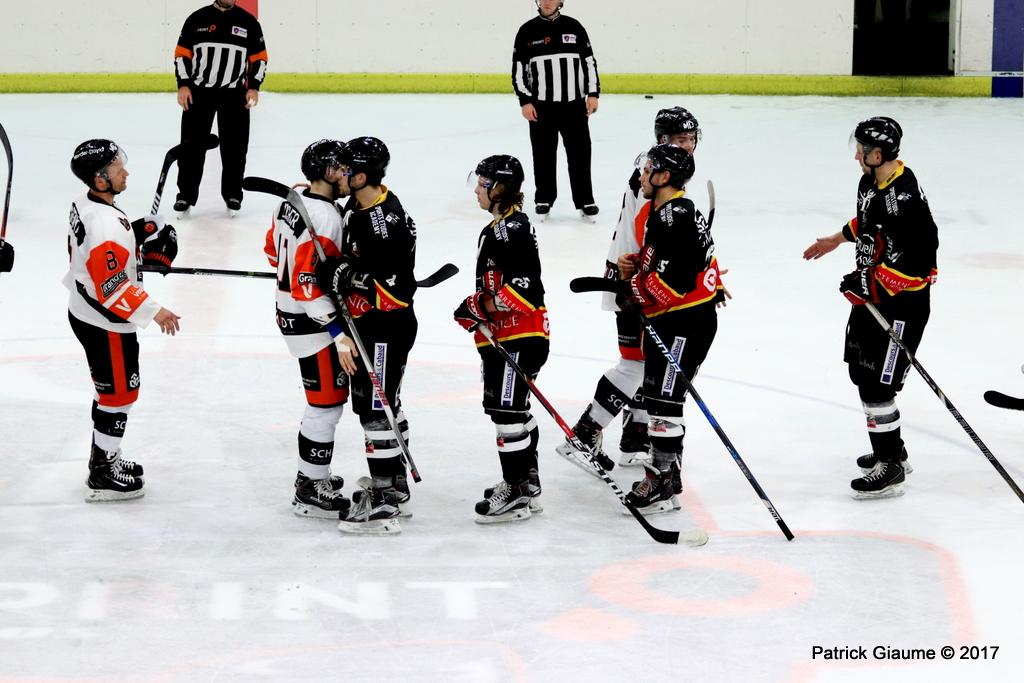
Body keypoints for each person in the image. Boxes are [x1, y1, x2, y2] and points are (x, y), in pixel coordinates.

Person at [556, 107, 727, 477]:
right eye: (680, 139)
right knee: (637, 364)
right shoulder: (653, 175)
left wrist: (698, 269)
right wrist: (660, 275)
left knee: (648, 364)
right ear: (662, 139)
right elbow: (650, 233)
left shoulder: (663, 169)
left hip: (640, 276)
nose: (687, 145)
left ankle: (635, 439)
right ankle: (585, 433)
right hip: (634, 282)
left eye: (691, 139)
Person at [803, 116, 938, 499]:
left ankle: (890, 467)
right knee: (862, 373)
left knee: (879, 385)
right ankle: (892, 449)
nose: (856, 156)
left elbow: (919, 264)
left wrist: (869, 284)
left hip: (901, 306)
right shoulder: (872, 182)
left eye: (861, 150)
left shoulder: (905, 200)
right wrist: (837, 239)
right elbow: (868, 221)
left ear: (877, 154)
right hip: (874, 298)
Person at [63, 139, 181, 502]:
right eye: (118, 169)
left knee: (111, 392)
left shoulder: (89, 203)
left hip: (86, 311)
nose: (125, 173)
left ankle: (105, 455)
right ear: (100, 179)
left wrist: (136, 231)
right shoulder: (105, 225)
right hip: (106, 323)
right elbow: (112, 287)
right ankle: (102, 471)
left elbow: (103, 250)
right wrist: (156, 311)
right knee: (119, 394)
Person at [315, 136, 417, 535]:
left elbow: (395, 293)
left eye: (344, 170)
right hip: (369, 326)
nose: (338, 175)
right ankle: (395, 483)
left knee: (376, 411)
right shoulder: (358, 206)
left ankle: (385, 499)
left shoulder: (384, 224)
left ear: (360, 176)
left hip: (385, 329)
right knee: (380, 405)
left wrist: (346, 275)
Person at [614, 144, 721, 514]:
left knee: (664, 401)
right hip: (679, 320)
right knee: (660, 398)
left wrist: (633, 291)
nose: (642, 176)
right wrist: (640, 264)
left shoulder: (672, 217)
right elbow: (677, 262)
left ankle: (662, 481)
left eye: (648, 171)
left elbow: (673, 285)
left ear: (664, 177)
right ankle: (667, 477)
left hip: (684, 323)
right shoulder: (671, 211)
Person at [263, 139, 360, 519]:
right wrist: (337, 332)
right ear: (328, 172)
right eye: (343, 169)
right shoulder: (327, 219)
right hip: (314, 323)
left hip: (289, 313)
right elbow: (307, 286)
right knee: (326, 404)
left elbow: (272, 251)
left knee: (324, 403)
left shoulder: (290, 201)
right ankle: (310, 486)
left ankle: (313, 475)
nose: (348, 175)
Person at [453, 155, 549, 524]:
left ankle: (517, 493)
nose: (477, 190)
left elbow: (527, 289)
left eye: (483, 184)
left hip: (520, 335)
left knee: (508, 413)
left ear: (501, 188)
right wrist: (480, 306)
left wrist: (481, 305)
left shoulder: (511, 228)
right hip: (510, 335)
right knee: (509, 410)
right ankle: (526, 483)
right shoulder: (500, 226)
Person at [172, 0, 268, 217]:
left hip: (235, 95)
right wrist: (183, 84)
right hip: (199, 94)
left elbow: (260, 59)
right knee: (191, 147)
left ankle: (233, 194)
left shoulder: (248, 22)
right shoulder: (197, 19)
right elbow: (182, 54)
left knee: (235, 149)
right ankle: (185, 195)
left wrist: (253, 87)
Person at [512, 0, 600, 220]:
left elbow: (589, 62)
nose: (548, 1)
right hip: (541, 108)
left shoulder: (574, 27)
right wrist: (525, 101)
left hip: (574, 106)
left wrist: (593, 93)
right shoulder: (527, 30)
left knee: (580, 154)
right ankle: (544, 198)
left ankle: (585, 199)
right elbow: (518, 70)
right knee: (543, 154)